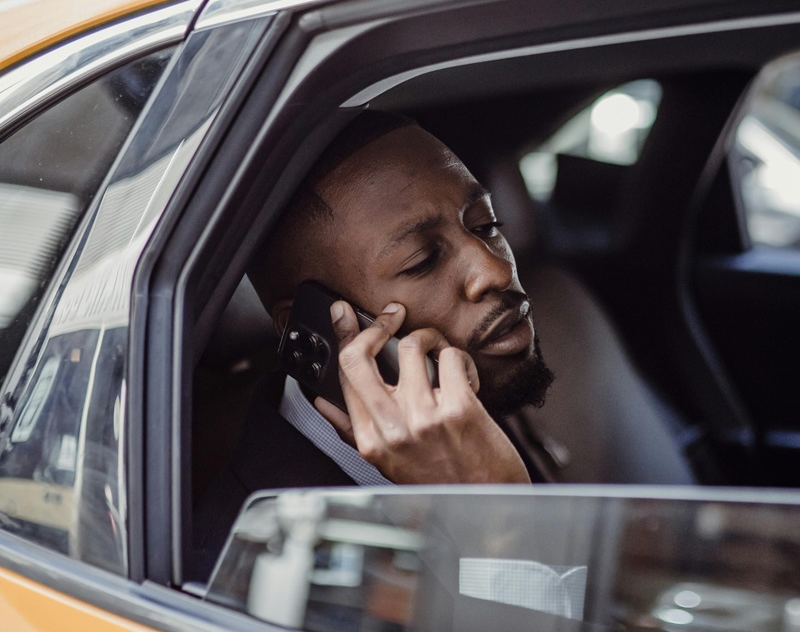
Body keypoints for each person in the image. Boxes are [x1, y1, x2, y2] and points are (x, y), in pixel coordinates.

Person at [194, 111, 555, 572]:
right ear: (317, 325)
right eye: (422, 261)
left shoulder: (462, 402)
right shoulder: (257, 560)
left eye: (485, 225)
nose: (496, 271)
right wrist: (498, 521)